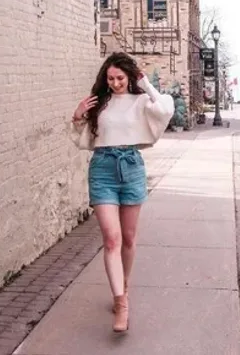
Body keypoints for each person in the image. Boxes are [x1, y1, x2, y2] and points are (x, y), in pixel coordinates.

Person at [69, 52, 174, 333]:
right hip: (102, 168)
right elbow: (84, 139)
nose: (115, 83)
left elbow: (165, 110)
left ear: (129, 77)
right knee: (111, 239)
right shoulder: (100, 103)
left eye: (120, 78)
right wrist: (78, 115)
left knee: (128, 238)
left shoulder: (142, 101)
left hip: (131, 167)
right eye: (110, 78)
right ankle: (121, 303)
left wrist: (146, 83)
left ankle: (123, 286)